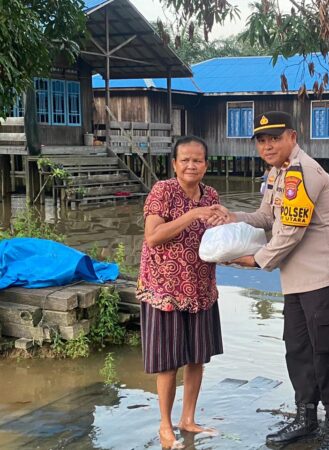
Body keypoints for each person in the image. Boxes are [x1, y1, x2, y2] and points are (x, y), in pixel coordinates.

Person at [214, 111, 329, 450]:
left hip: (324, 278)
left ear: (292, 137)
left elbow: (290, 232)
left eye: (274, 138)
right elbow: (266, 217)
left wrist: (255, 260)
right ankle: (306, 419)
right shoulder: (277, 174)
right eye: (262, 140)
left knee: (328, 352)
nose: (267, 145)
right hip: (297, 282)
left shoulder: (303, 173)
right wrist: (233, 217)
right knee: (299, 351)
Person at [137, 136, 226, 449]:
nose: (192, 165)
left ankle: (187, 419)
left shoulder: (211, 194)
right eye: (185, 159)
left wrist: (227, 226)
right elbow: (153, 237)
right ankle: (165, 424)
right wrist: (193, 215)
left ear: (206, 164)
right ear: (174, 164)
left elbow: (218, 241)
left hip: (201, 289)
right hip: (165, 290)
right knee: (168, 362)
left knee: (197, 358)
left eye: (198, 160)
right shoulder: (163, 191)